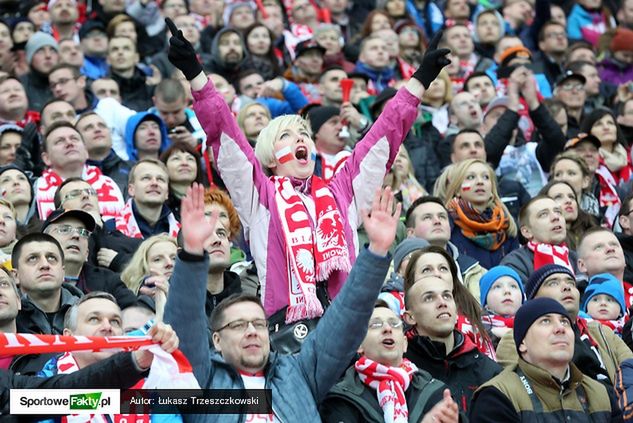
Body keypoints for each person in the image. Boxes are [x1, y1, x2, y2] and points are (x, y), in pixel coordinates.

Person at [164, 18, 450, 326]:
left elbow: (384, 135)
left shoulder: (343, 191)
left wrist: (420, 80)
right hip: (287, 330)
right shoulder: (258, 195)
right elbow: (225, 133)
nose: (300, 138)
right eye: (286, 136)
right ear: (270, 157)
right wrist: (195, 75)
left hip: (345, 328)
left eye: (303, 133)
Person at [164, 182, 402, 421]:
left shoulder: (297, 374)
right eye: (238, 325)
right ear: (216, 340)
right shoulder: (204, 386)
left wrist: (376, 253)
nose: (251, 332)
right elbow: (185, 327)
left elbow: (345, 321)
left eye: (258, 324)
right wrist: (193, 253)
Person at [469, 298, 623, 422]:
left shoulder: (601, 394)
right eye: (545, 321)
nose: (560, 328)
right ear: (522, 343)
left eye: (564, 321)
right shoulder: (496, 396)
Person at [495, 264, 633, 386]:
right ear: (534, 299)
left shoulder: (602, 331)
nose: (567, 287)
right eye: (553, 283)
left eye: (571, 283)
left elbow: (630, 366)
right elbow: (521, 387)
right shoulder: (516, 340)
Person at [320, 303, 460, 423]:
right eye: (375, 325)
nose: (388, 328)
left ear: (405, 344)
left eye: (394, 324)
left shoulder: (435, 391)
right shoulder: (341, 399)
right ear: (358, 344)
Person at [0, 321, 179, 414]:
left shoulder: (12, 394)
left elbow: (65, 397)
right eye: (94, 319)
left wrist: (136, 361)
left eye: (116, 321)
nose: (107, 327)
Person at [402, 246, 501, 412]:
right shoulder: (397, 363)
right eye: (427, 269)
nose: (437, 274)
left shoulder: (487, 368)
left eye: (443, 268)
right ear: (409, 316)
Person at [42, 208, 137, 309]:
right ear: (43, 243)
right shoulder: (27, 277)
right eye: (64, 229)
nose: (76, 235)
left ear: (87, 252)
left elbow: (135, 313)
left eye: (83, 232)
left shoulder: (109, 281)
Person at [404, 196, 487, 300]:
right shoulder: (394, 272)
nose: (437, 221)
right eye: (427, 217)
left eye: (442, 216)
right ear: (411, 233)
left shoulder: (478, 272)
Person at [444, 159, 519, 269]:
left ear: (492, 190)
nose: (480, 182)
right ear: (458, 190)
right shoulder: (447, 225)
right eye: (470, 177)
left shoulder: (506, 226)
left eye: (485, 177)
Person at [13, 233, 82, 334]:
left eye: (51, 258)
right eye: (32, 258)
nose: (45, 265)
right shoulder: (6, 317)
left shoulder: (88, 312)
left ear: (63, 272)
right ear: (15, 275)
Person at [500, 195, 578, 285]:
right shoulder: (515, 263)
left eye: (558, 212)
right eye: (543, 214)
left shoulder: (576, 258)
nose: (555, 217)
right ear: (526, 232)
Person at [115, 159, 180, 239]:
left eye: (160, 179)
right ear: (131, 189)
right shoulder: (110, 229)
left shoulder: (182, 233)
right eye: (146, 178)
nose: (154, 183)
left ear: (167, 193)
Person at [539, 180, 598, 250]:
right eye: (558, 197)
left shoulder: (593, 229)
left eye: (571, 197)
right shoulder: (545, 245)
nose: (568, 201)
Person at [479, 265, 524, 348]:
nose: (507, 291)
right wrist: (492, 335)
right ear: (485, 303)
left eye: (513, 286)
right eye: (497, 287)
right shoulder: (475, 328)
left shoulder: (533, 325)